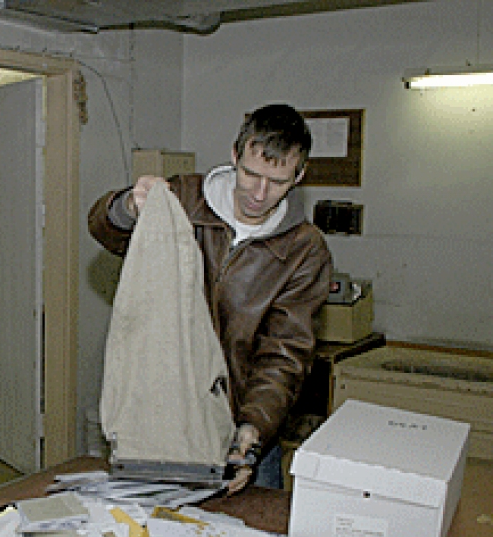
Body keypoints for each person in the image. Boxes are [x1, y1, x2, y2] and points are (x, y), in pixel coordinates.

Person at [88, 103, 332, 493]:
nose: (259, 193)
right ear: (234, 155)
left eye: (277, 181)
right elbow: (106, 230)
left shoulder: (304, 250)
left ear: (299, 175)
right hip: (163, 415)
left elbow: (284, 353)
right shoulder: (185, 199)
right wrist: (129, 206)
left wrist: (253, 427)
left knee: (247, 524)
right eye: (251, 174)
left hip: (240, 424)